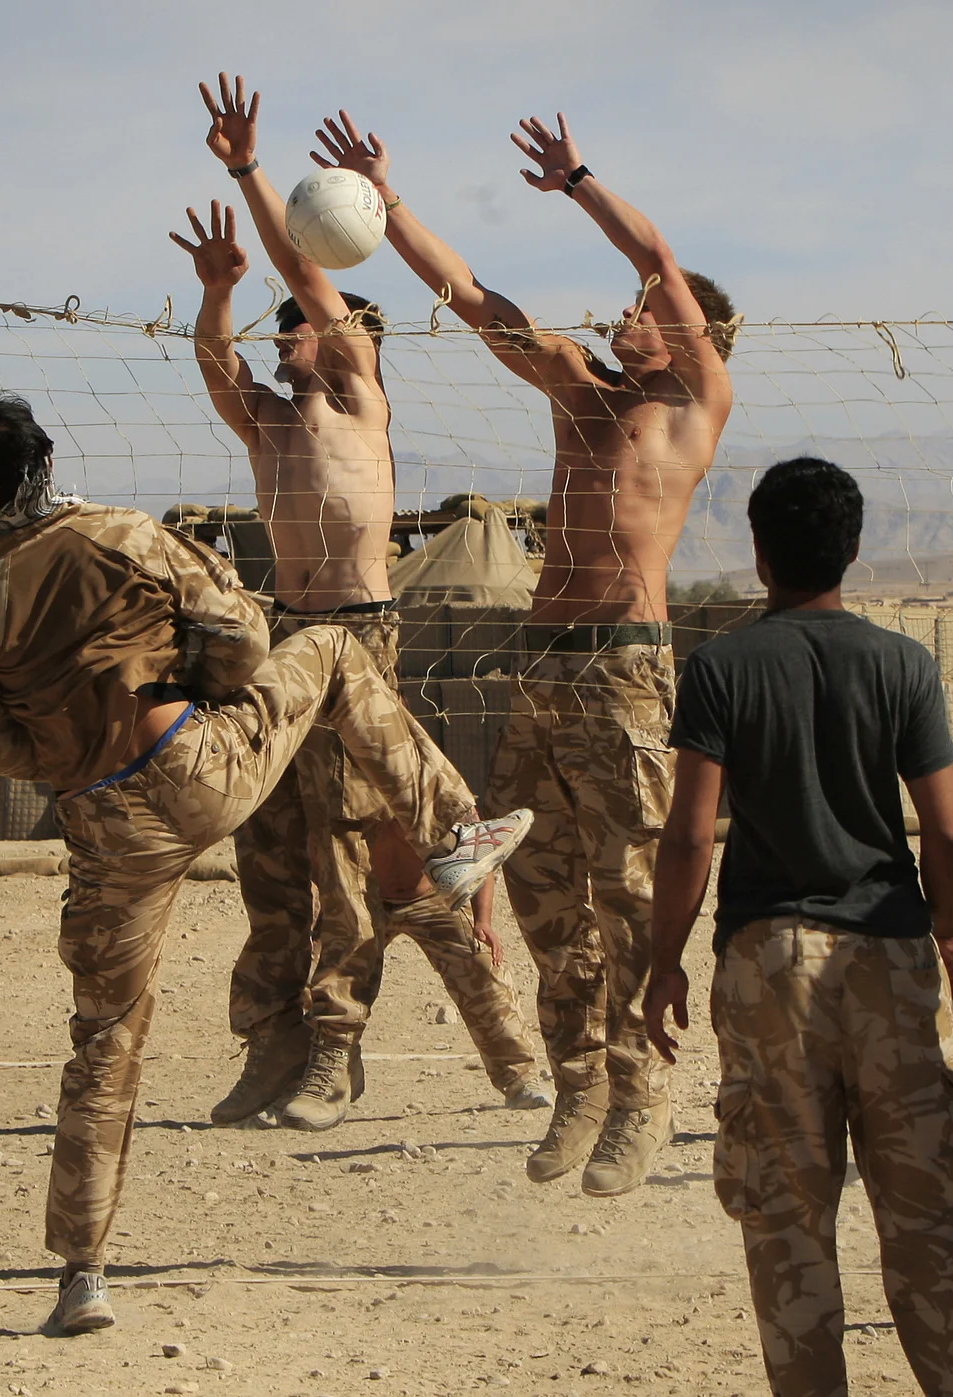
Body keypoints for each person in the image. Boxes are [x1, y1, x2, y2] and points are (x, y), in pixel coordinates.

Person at [0, 387, 532, 1337]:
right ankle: (456, 829)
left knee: (104, 1040)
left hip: (101, 822)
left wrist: (66, 755)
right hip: (198, 766)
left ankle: (82, 1274)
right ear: (44, 460)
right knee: (329, 646)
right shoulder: (122, 536)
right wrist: (199, 699)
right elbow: (246, 636)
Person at [314, 107, 735, 1195]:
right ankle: (580, 1078)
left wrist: (580, 181)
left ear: (693, 340)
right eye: (631, 310)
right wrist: (386, 201)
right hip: (541, 666)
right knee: (545, 892)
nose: (628, 313)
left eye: (648, 313)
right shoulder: (578, 393)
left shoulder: (690, 406)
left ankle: (644, 1087)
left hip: (624, 669)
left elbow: (658, 256)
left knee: (629, 891)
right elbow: (471, 299)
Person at [176, 75, 546, 1132]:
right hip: (284, 643)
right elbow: (215, 360)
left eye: (303, 326)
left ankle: (340, 1052)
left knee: (357, 857)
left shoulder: (355, 398)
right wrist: (215, 289)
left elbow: (312, 279)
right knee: (274, 846)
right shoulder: (271, 421)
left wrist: (250, 172)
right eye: (283, 328)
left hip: (357, 642)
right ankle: (277, 1049)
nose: (288, 334)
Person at [644, 459, 953, 1397]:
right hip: (889, 947)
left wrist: (663, 959)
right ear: (853, 547)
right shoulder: (903, 664)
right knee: (927, 1220)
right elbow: (950, 830)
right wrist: (949, 931)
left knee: (790, 1228)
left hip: (769, 961)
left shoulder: (721, 667)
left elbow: (688, 835)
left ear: (759, 552)